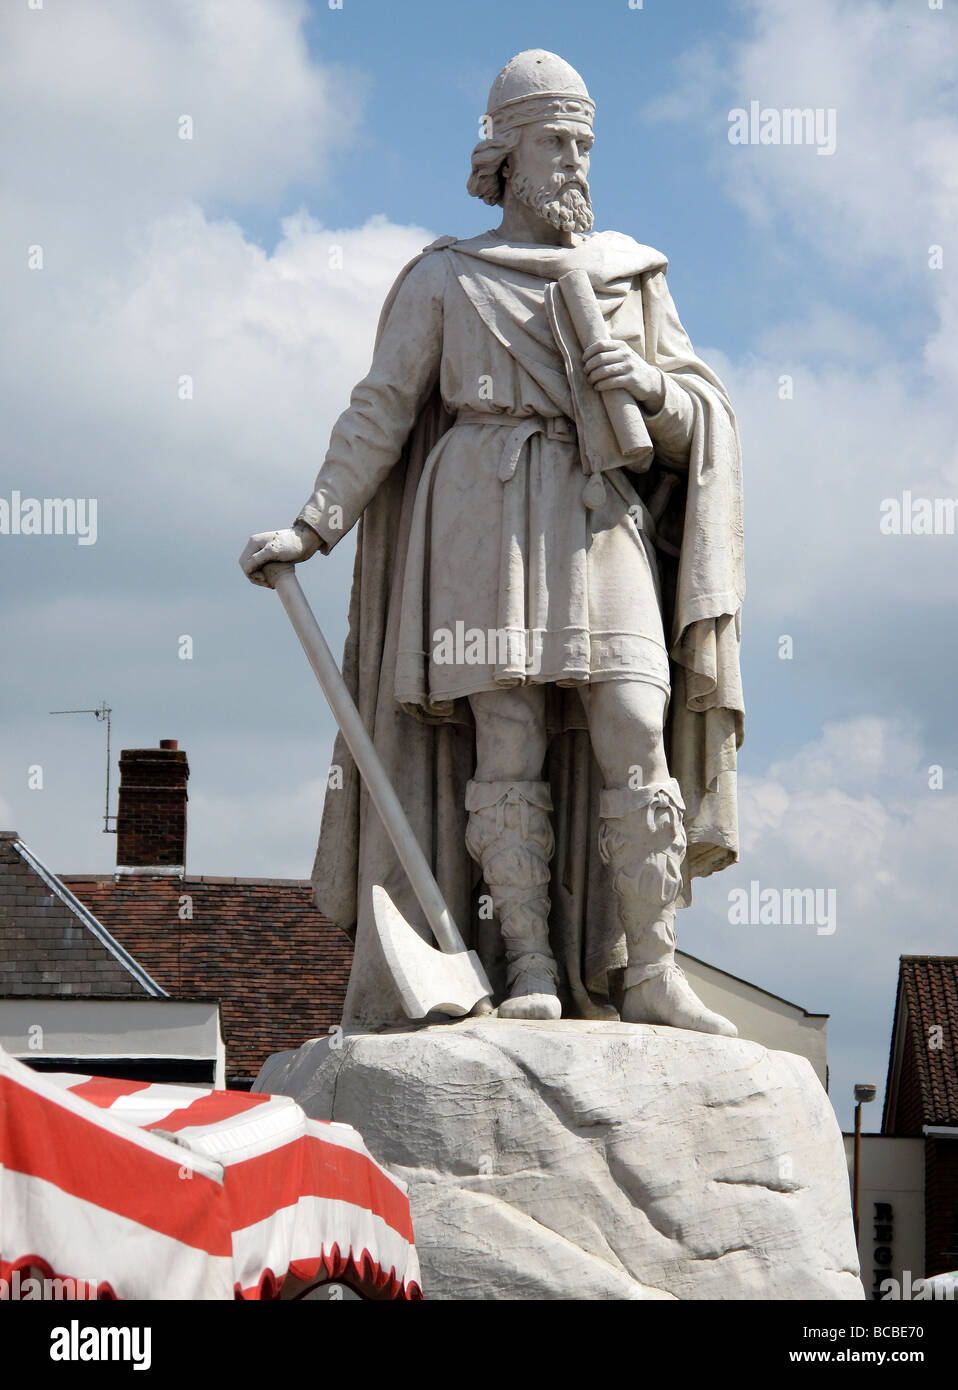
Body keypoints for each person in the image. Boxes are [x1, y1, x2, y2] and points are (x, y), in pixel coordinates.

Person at [241, 50, 745, 1036]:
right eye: (555, 142)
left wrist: (643, 385)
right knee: (504, 737)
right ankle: (526, 964)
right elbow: (380, 407)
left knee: (634, 722)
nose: (574, 164)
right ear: (502, 154)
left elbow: (696, 420)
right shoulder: (445, 276)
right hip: (479, 508)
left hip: (596, 508)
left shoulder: (627, 277)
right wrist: (313, 523)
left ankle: (648, 969)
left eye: (583, 145)